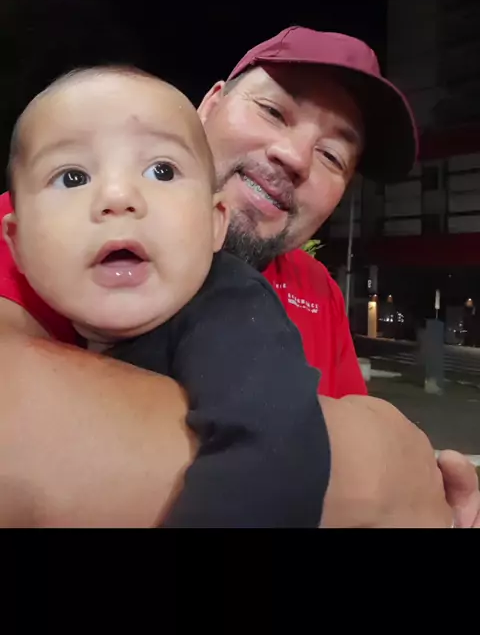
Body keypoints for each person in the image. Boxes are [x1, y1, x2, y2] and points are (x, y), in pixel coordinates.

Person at [0, 26, 478, 527]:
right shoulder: (50, 223)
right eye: (272, 111)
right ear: (209, 105)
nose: (294, 158)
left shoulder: (317, 290)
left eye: (332, 156)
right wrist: (380, 470)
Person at [2, 65, 330, 528]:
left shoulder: (233, 310)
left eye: (162, 170)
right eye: (72, 177)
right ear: (17, 244)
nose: (119, 196)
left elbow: (276, 452)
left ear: (215, 223)